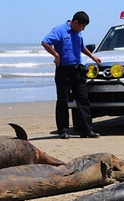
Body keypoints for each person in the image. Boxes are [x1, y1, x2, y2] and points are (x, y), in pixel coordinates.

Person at [42, 11, 102, 139]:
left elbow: (81, 47)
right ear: (75, 22)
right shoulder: (60, 30)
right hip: (63, 71)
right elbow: (45, 42)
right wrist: (56, 54)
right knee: (63, 100)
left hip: (77, 70)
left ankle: (87, 130)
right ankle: (63, 130)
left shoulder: (78, 33)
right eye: (82, 26)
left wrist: (92, 56)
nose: (83, 29)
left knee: (83, 99)